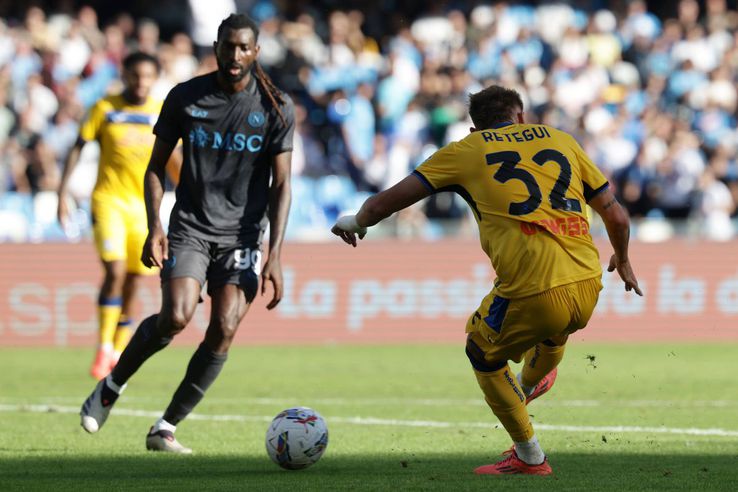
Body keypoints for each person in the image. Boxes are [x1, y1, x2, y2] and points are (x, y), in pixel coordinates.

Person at [332, 85, 642, 476]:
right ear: (520, 115)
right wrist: (625, 259)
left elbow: (383, 203)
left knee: (481, 352)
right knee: (554, 326)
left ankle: (530, 456)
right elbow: (617, 217)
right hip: (589, 282)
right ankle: (532, 378)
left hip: (535, 290)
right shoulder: (562, 140)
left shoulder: (468, 151)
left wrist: (356, 222)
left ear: (475, 127)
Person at [79, 14, 295, 453]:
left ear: (255, 52)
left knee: (225, 327)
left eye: (243, 48)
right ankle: (111, 385)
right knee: (175, 316)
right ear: (215, 46)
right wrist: (155, 225)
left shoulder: (276, 108)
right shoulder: (186, 97)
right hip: (191, 226)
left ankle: (165, 426)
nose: (234, 56)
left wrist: (274, 253)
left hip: (242, 235)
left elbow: (283, 183)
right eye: (227, 46)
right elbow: (155, 167)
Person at [58, 52, 174, 380]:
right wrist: (62, 193)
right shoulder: (105, 108)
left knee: (135, 281)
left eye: (148, 77)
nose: (141, 83)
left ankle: (118, 349)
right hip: (108, 201)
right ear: (124, 75)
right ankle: (103, 346)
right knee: (116, 269)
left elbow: (174, 159)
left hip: (144, 208)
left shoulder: (159, 112)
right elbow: (78, 147)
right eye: (135, 76)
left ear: (155, 78)